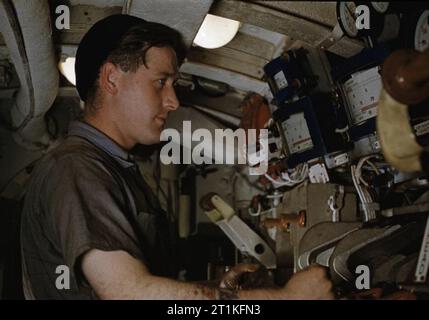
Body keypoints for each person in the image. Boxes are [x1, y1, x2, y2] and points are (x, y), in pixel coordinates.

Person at [20, 14, 334, 300]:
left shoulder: (109, 168)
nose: (172, 101)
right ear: (111, 79)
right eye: (161, 82)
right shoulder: (76, 168)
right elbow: (127, 293)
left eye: (173, 85)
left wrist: (217, 292)